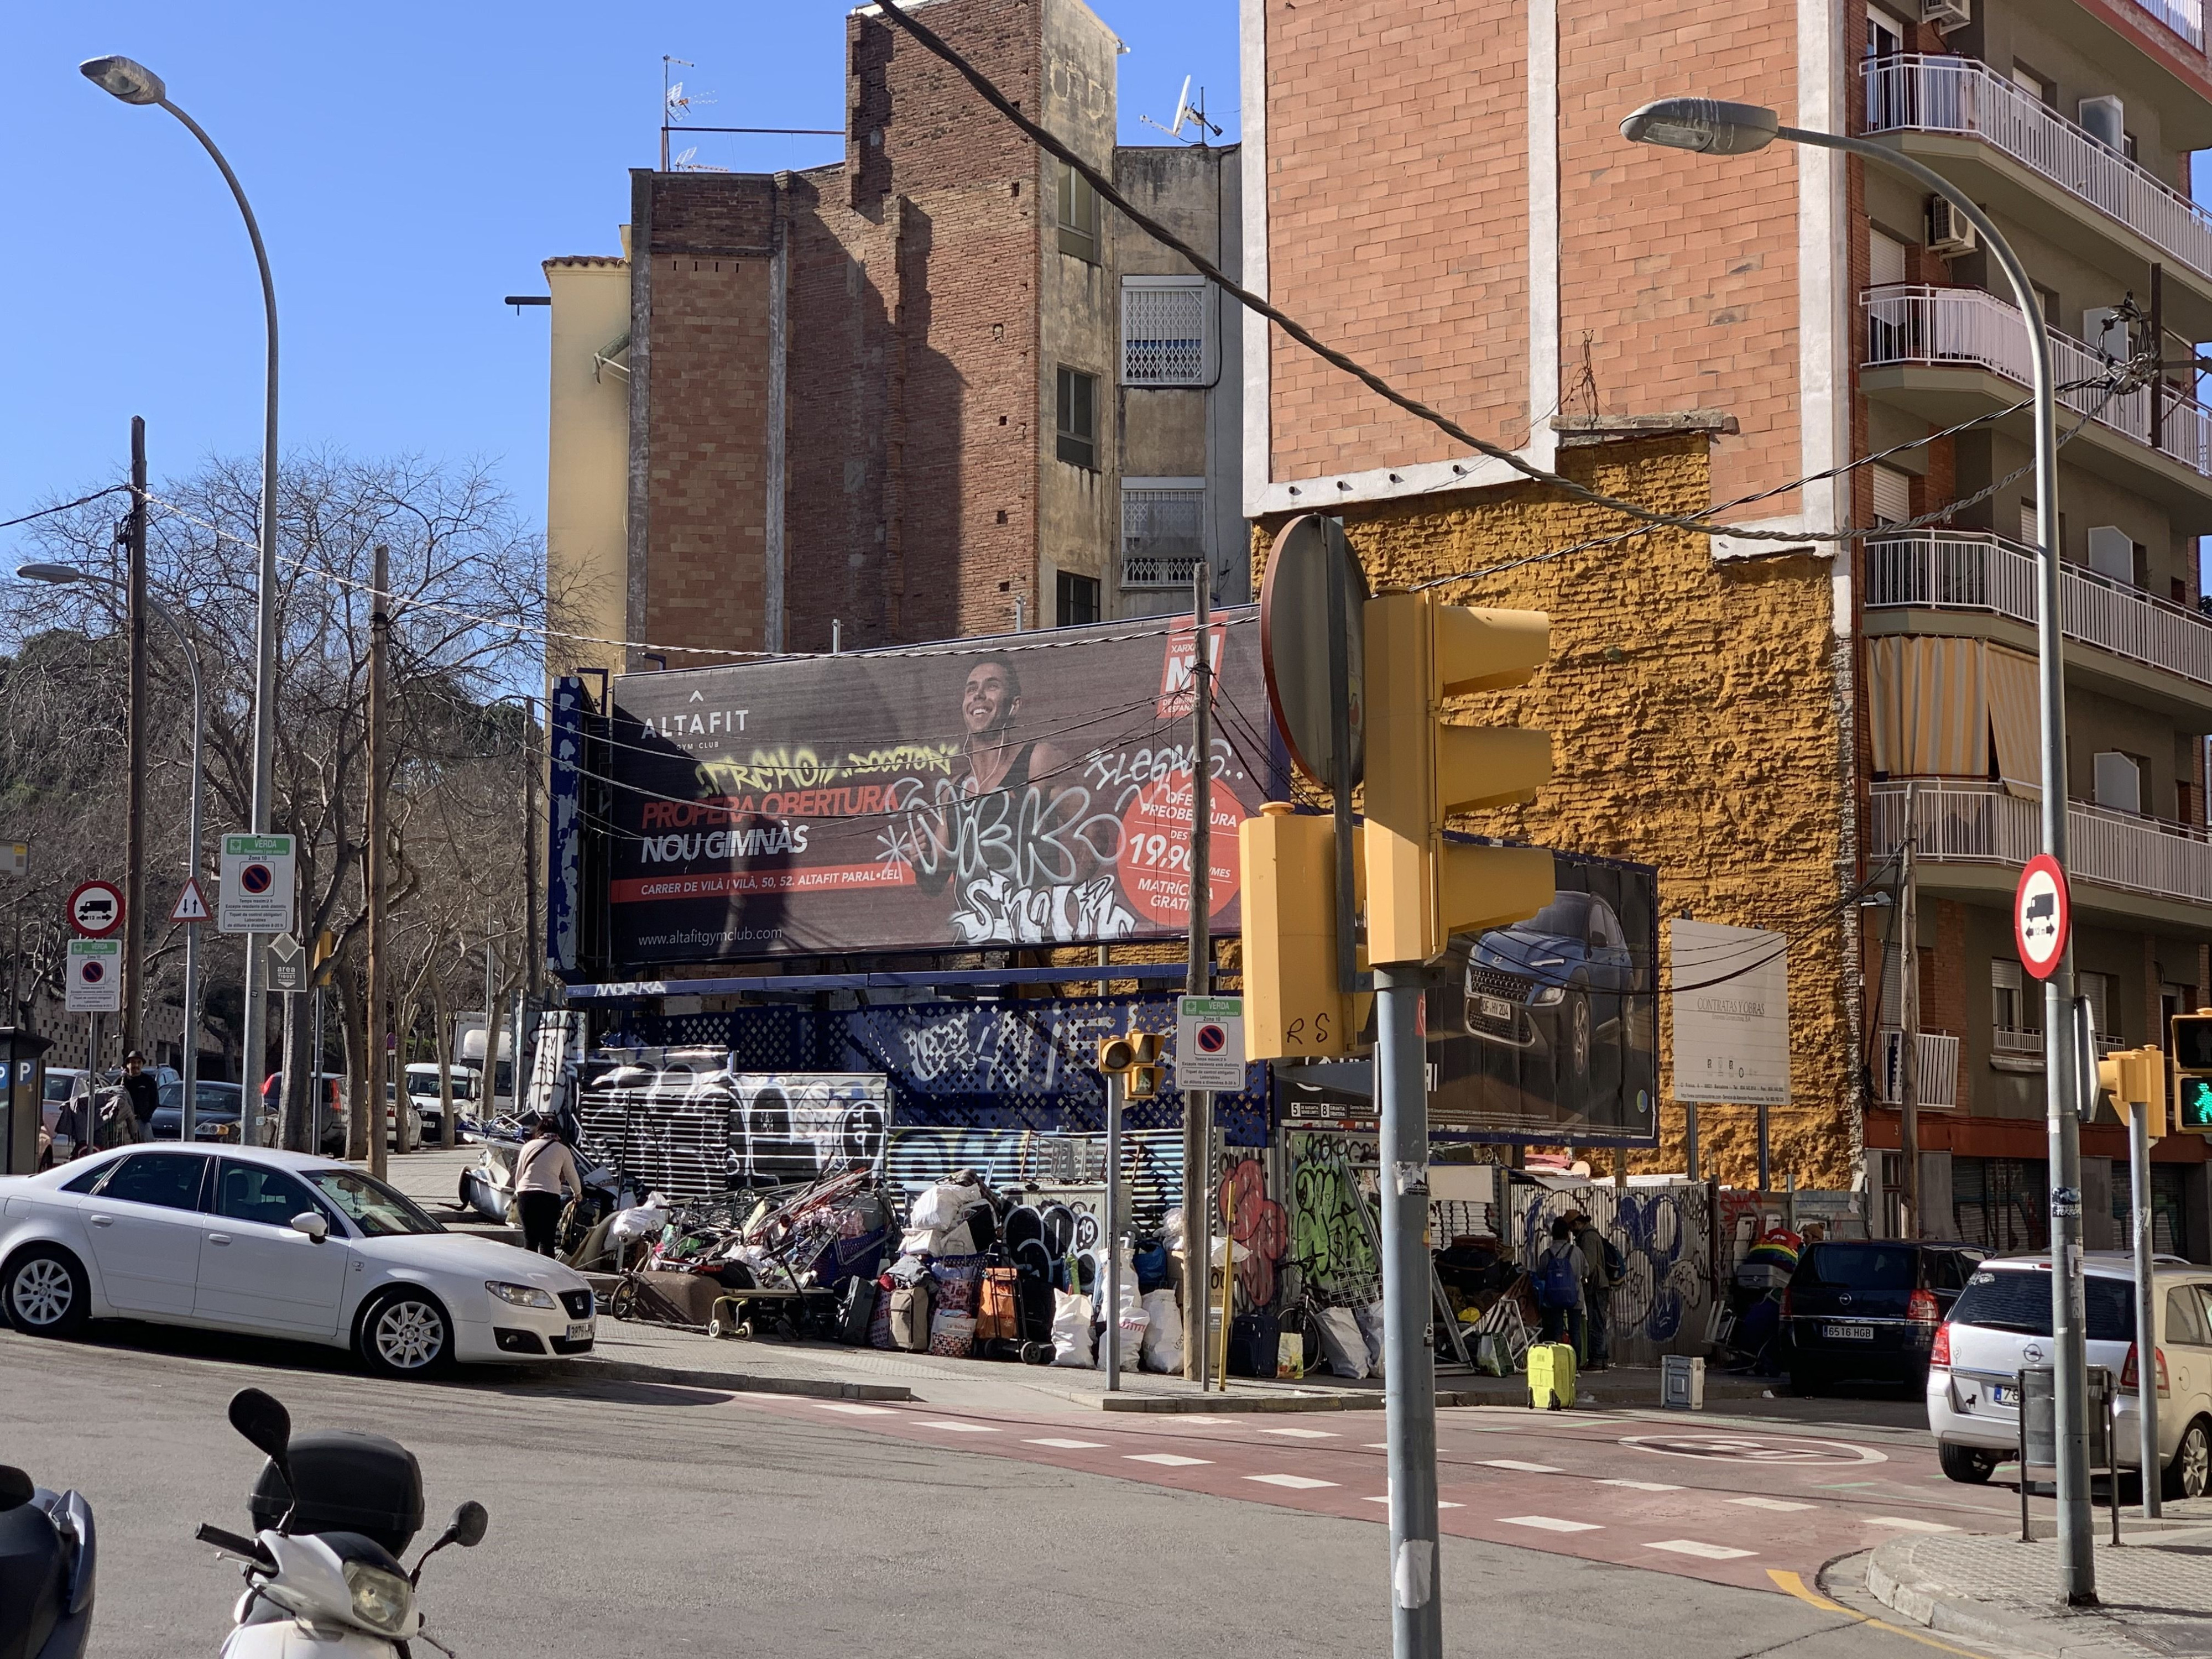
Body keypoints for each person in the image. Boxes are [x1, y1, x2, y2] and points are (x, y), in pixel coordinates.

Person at [512, 1116, 580, 1258]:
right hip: (549, 1196)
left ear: (539, 1131)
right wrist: (578, 1193)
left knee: (530, 1240)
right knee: (547, 1241)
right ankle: (547, 1276)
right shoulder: (563, 1149)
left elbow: (519, 1175)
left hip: (526, 1196)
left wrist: (519, 1194)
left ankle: (527, 1275)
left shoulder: (528, 1146)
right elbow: (572, 1175)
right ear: (557, 1133)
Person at [1532, 1215, 1584, 1356]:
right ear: (1568, 1234)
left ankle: (1559, 1362)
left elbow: (1541, 1274)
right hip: (1576, 1297)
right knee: (1575, 1331)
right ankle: (1576, 1366)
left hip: (1553, 1299)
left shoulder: (1547, 1255)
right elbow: (1586, 1271)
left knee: (1557, 1331)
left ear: (1553, 1235)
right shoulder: (1577, 1252)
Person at [1571, 1211, 1613, 1371]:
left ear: (1576, 1224)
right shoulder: (1591, 1234)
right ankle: (1602, 1360)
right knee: (1599, 1322)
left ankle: (1597, 1360)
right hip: (1600, 1285)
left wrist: (1580, 1278)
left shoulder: (1588, 1237)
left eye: (1572, 1227)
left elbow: (1588, 1264)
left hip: (1596, 1286)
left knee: (1596, 1323)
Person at [117, 1051, 160, 1145]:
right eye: (133, 1062)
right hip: (124, 1123)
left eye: (139, 1062)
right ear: (128, 1065)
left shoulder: (149, 1081)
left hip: (142, 1122)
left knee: (146, 1149)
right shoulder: (121, 1082)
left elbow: (155, 1102)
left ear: (142, 1065)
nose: (136, 1065)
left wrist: (147, 1116)